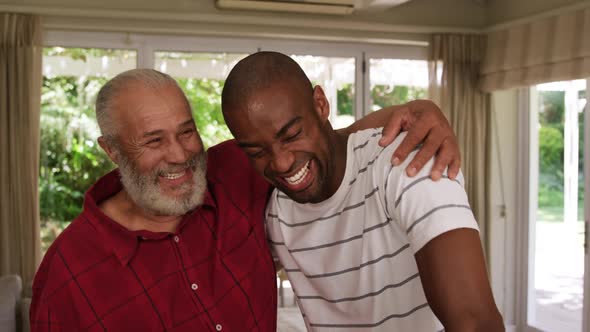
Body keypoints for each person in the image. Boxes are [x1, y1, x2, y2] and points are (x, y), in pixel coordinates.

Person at [30, 68, 460, 331]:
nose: (179, 154)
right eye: (153, 141)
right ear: (112, 150)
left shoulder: (239, 169)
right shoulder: (69, 275)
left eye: (186, 131)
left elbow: (328, 141)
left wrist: (422, 111)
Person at [221, 52, 504, 331]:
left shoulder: (406, 162)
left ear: (320, 105)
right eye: (257, 152)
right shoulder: (275, 211)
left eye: (293, 135)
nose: (281, 163)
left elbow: (475, 322)